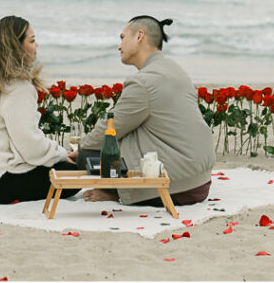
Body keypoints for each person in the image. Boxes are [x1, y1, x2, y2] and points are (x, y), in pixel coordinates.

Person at [71, 15, 215, 207]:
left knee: (88, 154)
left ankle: (119, 194)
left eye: (122, 38)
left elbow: (109, 128)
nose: (119, 46)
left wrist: (80, 150)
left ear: (140, 36)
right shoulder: (174, 69)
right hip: (200, 179)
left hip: (175, 185)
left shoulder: (143, 82)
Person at [0, 15, 77, 203]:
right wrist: (61, 154)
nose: (37, 46)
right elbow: (30, 146)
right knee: (74, 174)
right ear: (16, 46)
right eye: (32, 40)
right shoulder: (17, 85)